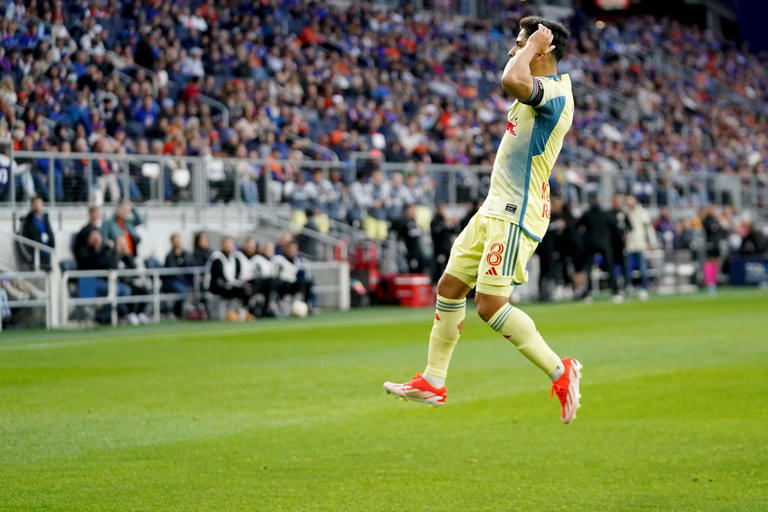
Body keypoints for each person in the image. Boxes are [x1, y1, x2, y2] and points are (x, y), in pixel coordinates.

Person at [383, 18, 581, 423]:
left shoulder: (556, 94)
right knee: (450, 287)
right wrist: (532, 46)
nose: (514, 50)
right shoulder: (537, 89)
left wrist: (532, 45)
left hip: (515, 213)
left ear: (542, 50)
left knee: (490, 306)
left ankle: (562, 371)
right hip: (493, 208)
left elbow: (511, 78)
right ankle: (434, 381)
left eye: (521, 44)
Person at [577, 193, 621, 302]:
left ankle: (586, 294)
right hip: (604, 244)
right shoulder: (605, 214)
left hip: (590, 244)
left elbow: (577, 226)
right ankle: (615, 291)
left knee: (588, 269)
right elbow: (615, 226)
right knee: (609, 267)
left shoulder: (587, 214)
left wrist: (584, 238)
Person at [625, 195, 656, 300]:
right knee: (627, 268)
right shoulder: (625, 213)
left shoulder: (642, 212)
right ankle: (628, 287)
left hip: (640, 244)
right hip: (629, 245)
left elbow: (649, 229)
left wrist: (652, 242)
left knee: (643, 268)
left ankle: (643, 288)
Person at [163, 233, 196, 317]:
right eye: (175, 240)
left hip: (185, 281)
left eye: (178, 239)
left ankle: (196, 310)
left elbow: (192, 266)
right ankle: (177, 311)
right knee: (182, 290)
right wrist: (186, 283)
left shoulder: (186, 254)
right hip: (172, 282)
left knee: (199, 287)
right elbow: (173, 273)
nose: (177, 242)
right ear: (171, 242)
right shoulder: (169, 256)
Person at [19, 196, 55, 270]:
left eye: (39, 202)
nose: (37, 205)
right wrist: (30, 256)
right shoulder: (27, 221)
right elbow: (22, 240)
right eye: (35, 203)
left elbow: (50, 235)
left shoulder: (45, 219)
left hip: (46, 255)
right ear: (31, 205)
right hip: (34, 258)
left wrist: (53, 247)